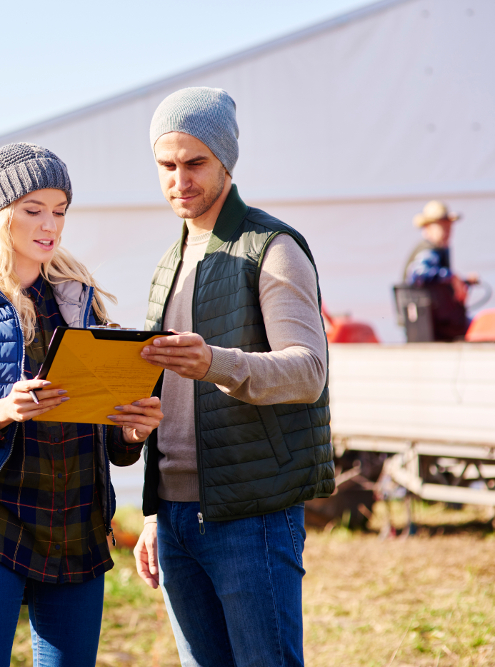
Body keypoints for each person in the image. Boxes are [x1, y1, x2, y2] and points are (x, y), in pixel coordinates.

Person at [0, 142, 163, 667]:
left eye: (59, 211)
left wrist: (132, 431)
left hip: (75, 528)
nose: (50, 225)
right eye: (33, 210)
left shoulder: (82, 299)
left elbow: (110, 438)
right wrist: (2, 411)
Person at [130, 87, 335, 667]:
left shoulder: (273, 248)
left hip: (252, 515)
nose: (179, 180)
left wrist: (216, 362)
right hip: (174, 518)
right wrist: (152, 516)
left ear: (226, 160)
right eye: (166, 166)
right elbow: (165, 398)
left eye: (195, 163)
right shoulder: (169, 263)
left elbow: (308, 371)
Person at [402, 200, 478, 340]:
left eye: (448, 227)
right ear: (427, 228)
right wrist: (451, 277)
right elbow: (418, 274)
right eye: (441, 226)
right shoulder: (429, 251)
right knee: (479, 329)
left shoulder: (438, 250)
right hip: (435, 323)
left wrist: (462, 281)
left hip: (441, 321)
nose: (447, 231)